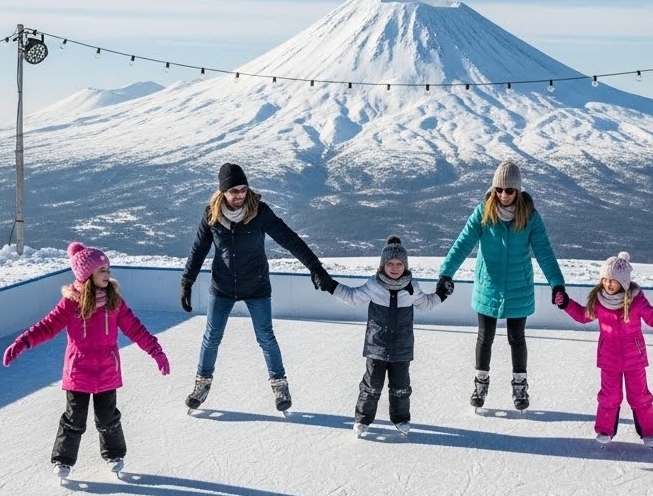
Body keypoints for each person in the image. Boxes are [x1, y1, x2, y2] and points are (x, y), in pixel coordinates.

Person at [2, 242, 170, 480]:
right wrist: (22, 343)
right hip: (78, 371)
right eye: (102, 270)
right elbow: (48, 326)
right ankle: (62, 459)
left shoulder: (114, 302)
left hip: (107, 371)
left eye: (108, 269)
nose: (108, 274)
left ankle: (114, 454)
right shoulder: (71, 303)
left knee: (108, 417)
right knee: (74, 419)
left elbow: (135, 329)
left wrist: (156, 351)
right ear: (87, 274)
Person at [180, 162, 334, 414]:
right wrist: (187, 281)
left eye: (243, 189)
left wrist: (316, 268)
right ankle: (202, 384)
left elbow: (290, 239)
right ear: (223, 193)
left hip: (256, 286)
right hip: (223, 286)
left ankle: (280, 384)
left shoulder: (260, 212)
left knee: (266, 336)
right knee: (212, 337)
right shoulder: (211, 214)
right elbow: (198, 249)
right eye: (233, 191)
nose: (239, 195)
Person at [438, 160, 567, 412]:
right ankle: (480, 383)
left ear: (518, 190)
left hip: (519, 288)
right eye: (499, 189)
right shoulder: (483, 212)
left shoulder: (529, 217)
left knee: (516, 338)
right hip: (488, 286)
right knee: (484, 337)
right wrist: (446, 274)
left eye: (509, 190)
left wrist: (557, 284)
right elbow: (463, 242)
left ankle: (520, 386)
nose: (503, 195)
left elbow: (545, 252)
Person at [555, 251, 653, 448]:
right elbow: (583, 315)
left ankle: (648, 432)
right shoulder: (599, 301)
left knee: (640, 396)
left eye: (612, 280)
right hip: (608, 359)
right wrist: (566, 303)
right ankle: (605, 430)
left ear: (624, 282)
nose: (608, 284)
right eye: (605, 279)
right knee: (609, 396)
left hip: (634, 359)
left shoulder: (636, 302)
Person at [322, 235, 451, 438]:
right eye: (389, 263)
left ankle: (400, 419)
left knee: (401, 387)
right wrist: (329, 285)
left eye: (399, 263)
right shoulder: (374, 285)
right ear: (382, 265)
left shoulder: (411, 287)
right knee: (371, 385)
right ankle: (363, 419)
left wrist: (442, 294)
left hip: (402, 347)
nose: (394, 267)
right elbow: (352, 297)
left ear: (405, 265)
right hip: (377, 346)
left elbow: (426, 304)